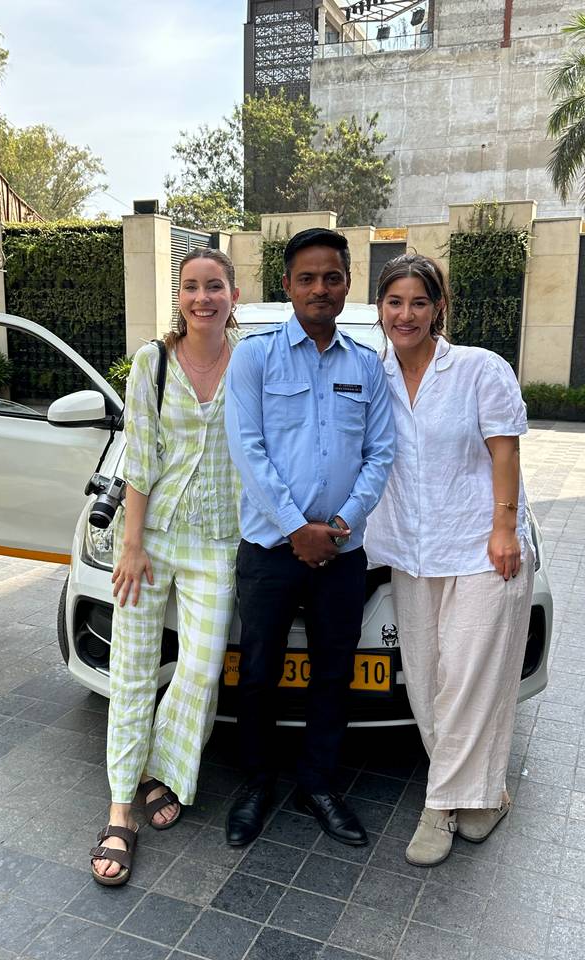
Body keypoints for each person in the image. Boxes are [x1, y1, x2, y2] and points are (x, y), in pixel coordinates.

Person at [224, 228, 395, 847]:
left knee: (332, 672)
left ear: (347, 284)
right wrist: (298, 528)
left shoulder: (366, 365)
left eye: (331, 277)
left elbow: (381, 453)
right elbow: (247, 449)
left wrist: (340, 525)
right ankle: (256, 782)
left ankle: (319, 783)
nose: (320, 288)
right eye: (307, 278)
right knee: (259, 672)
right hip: (271, 553)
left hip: (342, 555)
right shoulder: (254, 357)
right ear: (288, 286)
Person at [364, 252, 534, 867]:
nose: (405, 314)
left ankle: (439, 807)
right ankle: (483, 797)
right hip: (410, 553)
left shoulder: (479, 370)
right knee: (431, 681)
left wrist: (505, 527)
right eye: (394, 302)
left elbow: (504, 452)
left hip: (482, 549)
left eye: (418, 302)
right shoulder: (368, 374)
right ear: (379, 308)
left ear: (439, 308)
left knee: (469, 677)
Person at [91, 249, 242, 885]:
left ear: (233, 295)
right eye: (190, 287)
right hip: (148, 538)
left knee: (201, 671)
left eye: (214, 287)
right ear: (178, 296)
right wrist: (131, 545)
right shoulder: (152, 364)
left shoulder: (253, 364)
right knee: (131, 670)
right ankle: (120, 806)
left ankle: (161, 767)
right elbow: (141, 456)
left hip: (218, 542)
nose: (201, 298)